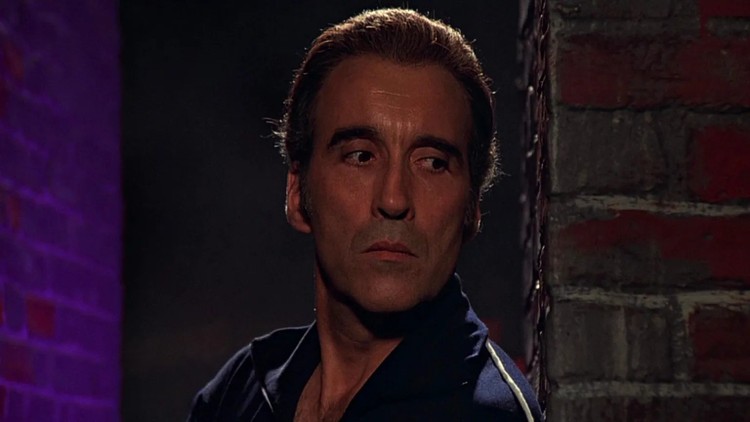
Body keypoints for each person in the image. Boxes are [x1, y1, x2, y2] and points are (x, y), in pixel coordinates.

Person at [187, 8, 542, 422]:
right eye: (360, 157)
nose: (393, 199)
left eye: (432, 163)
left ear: (472, 208)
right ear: (297, 193)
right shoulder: (240, 390)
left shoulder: (487, 414)